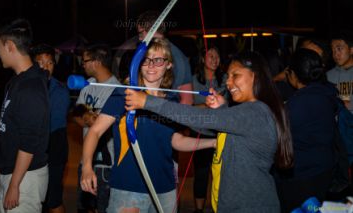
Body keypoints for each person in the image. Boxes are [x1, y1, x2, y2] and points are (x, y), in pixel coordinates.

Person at [125, 50, 294, 213]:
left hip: (252, 206)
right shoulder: (250, 113)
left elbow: (198, 118)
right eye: (228, 77)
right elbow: (210, 126)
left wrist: (147, 101)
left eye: (235, 75)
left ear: (255, 75)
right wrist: (221, 109)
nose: (228, 82)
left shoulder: (256, 112)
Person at [81, 38, 216, 213]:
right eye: (146, 59)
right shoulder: (124, 94)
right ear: (138, 63)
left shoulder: (170, 100)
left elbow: (175, 140)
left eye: (158, 60)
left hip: (165, 187)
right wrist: (86, 167)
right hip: (128, 186)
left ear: (168, 65)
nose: (151, 65)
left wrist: (212, 142)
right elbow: (95, 131)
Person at [0, 18, 50, 213]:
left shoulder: (30, 88)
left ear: (9, 46)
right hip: (13, 172)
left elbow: (29, 141)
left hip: (24, 178)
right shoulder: (17, 82)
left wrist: (15, 185)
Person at [275, 48, 338, 212]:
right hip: (325, 170)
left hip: (301, 177)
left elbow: (278, 137)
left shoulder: (296, 105)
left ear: (294, 75)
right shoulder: (328, 94)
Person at [75, 44, 120, 213]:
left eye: (85, 61)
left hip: (106, 164)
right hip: (86, 161)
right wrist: (89, 118)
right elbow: (76, 115)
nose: (83, 65)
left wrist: (90, 118)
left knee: (103, 208)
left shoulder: (116, 90)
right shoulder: (88, 85)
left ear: (96, 62)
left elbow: (106, 126)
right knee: (84, 207)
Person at [33, 44, 70, 213]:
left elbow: (52, 123)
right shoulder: (27, 87)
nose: (46, 67)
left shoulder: (60, 91)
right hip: (32, 148)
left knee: (53, 199)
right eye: (41, 62)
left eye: (50, 63)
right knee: (33, 198)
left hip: (54, 146)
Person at [191, 46, 227, 213]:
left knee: (222, 173)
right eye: (210, 55)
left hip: (220, 132)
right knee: (202, 173)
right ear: (202, 59)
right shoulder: (193, 80)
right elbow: (188, 108)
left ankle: (219, 207)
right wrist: (206, 104)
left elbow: (230, 105)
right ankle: (199, 210)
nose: (214, 59)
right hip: (200, 131)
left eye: (217, 56)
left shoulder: (226, 79)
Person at [136, 10, 194, 105]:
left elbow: (187, 100)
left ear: (151, 30)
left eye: (140, 33)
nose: (140, 38)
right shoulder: (144, 51)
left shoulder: (176, 56)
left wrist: (167, 118)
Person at [327, 32, 353, 114]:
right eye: (333, 50)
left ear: (351, 50)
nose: (335, 54)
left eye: (339, 48)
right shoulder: (327, 76)